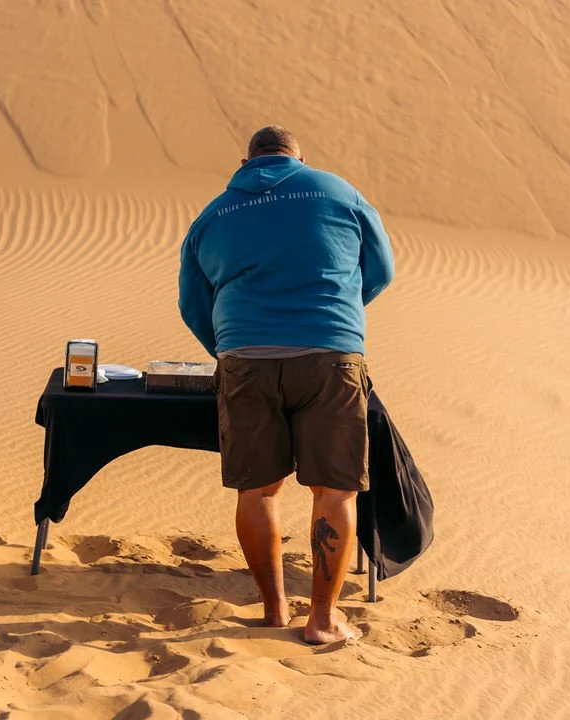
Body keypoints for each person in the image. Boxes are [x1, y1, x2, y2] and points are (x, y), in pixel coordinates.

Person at [177, 125, 395, 644]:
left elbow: (192, 303)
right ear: (299, 157)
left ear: (248, 161)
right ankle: (321, 620)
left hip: (245, 359)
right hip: (329, 356)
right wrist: (334, 314)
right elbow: (381, 269)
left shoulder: (213, 215)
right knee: (335, 489)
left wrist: (228, 348)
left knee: (258, 490)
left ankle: (275, 611)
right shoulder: (339, 191)